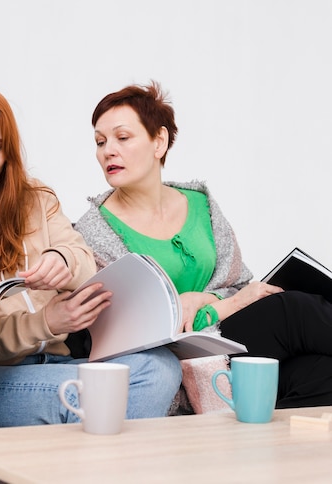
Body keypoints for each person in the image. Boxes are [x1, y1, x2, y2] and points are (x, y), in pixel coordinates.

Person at [0, 84, 182, 428]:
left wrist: (63, 259)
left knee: (161, 368)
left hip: (55, 363)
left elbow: (82, 257)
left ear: (8, 151)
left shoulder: (37, 200)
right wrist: (44, 323)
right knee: (86, 396)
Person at [75, 80, 332, 409]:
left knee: (322, 372)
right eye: (100, 141)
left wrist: (202, 299)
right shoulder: (94, 232)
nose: (108, 150)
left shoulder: (201, 204)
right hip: (175, 363)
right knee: (290, 311)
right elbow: (129, 332)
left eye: (122, 138)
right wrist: (222, 308)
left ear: (159, 141)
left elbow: (238, 283)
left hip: (230, 350)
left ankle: (250, 450)